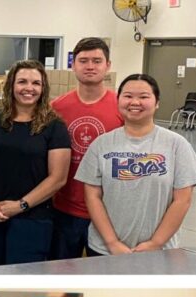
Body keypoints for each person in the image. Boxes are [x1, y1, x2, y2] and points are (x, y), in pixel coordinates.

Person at [77, 74, 196, 257]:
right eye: (128, 96)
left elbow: (182, 200)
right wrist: (112, 243)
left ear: (157, 102)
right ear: (119, 100)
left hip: (159, 252)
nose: (135, 102)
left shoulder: (176, 144)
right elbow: (92, 197)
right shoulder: (101, 144)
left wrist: (156, 243)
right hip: (104, 250)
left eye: (144, 97)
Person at [0, 60, 71, 266]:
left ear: (43, 88)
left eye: (36, 83)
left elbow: (58, 178)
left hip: (33, 219)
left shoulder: (54, 126)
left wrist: (20, 205)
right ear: (11, 85)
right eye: (22, 82)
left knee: (22, 280)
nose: (29, 88)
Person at [49, 38, 124, 260]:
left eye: (96, 60)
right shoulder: (57, 108)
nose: (90, 66)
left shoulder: (122, 106)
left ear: (107, 65)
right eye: (83, 61)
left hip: (110, 212)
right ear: (73, 65)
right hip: (65, 210)